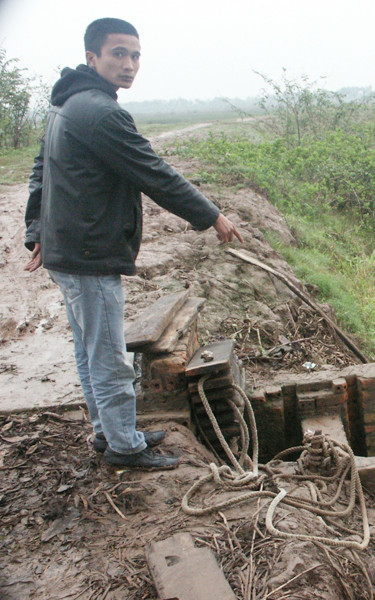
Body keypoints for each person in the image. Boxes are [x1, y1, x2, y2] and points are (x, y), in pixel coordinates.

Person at [23, 18, 243, 470]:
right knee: (107, 355)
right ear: (92, 58)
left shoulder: (67, 103)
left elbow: (40, 170)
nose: (129, 65)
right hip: (88, 253)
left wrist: (36, 232)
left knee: (89, 348)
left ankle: (111, 431)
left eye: (135, 55)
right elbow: (154, 173)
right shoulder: (101, 113)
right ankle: (125, 446)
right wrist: (212, 216)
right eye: (118, 54)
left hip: (69, 249)